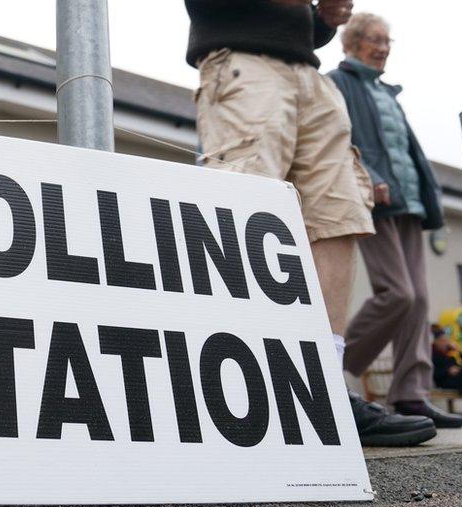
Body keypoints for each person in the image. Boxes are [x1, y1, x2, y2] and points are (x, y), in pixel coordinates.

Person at [186, 0, 437, 446]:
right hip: (243, 62)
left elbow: (299, 30)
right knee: (243, 207)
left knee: (338, 216)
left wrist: (321, 19)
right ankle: (234, 388)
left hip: (307, 73)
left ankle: (323, 388)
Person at [329, 13, 462, 429]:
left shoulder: (389, 93)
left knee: (420, 299)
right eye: (373, 38)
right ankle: (328, 368)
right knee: (398, 293)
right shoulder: (340, 82)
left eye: (387, 40)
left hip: (408, 203)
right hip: (374, 199)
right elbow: (337, 135)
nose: (383, 46)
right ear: (351, 42)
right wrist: (369, 175)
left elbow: (405, 150)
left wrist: (428, 196)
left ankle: (411, 395)